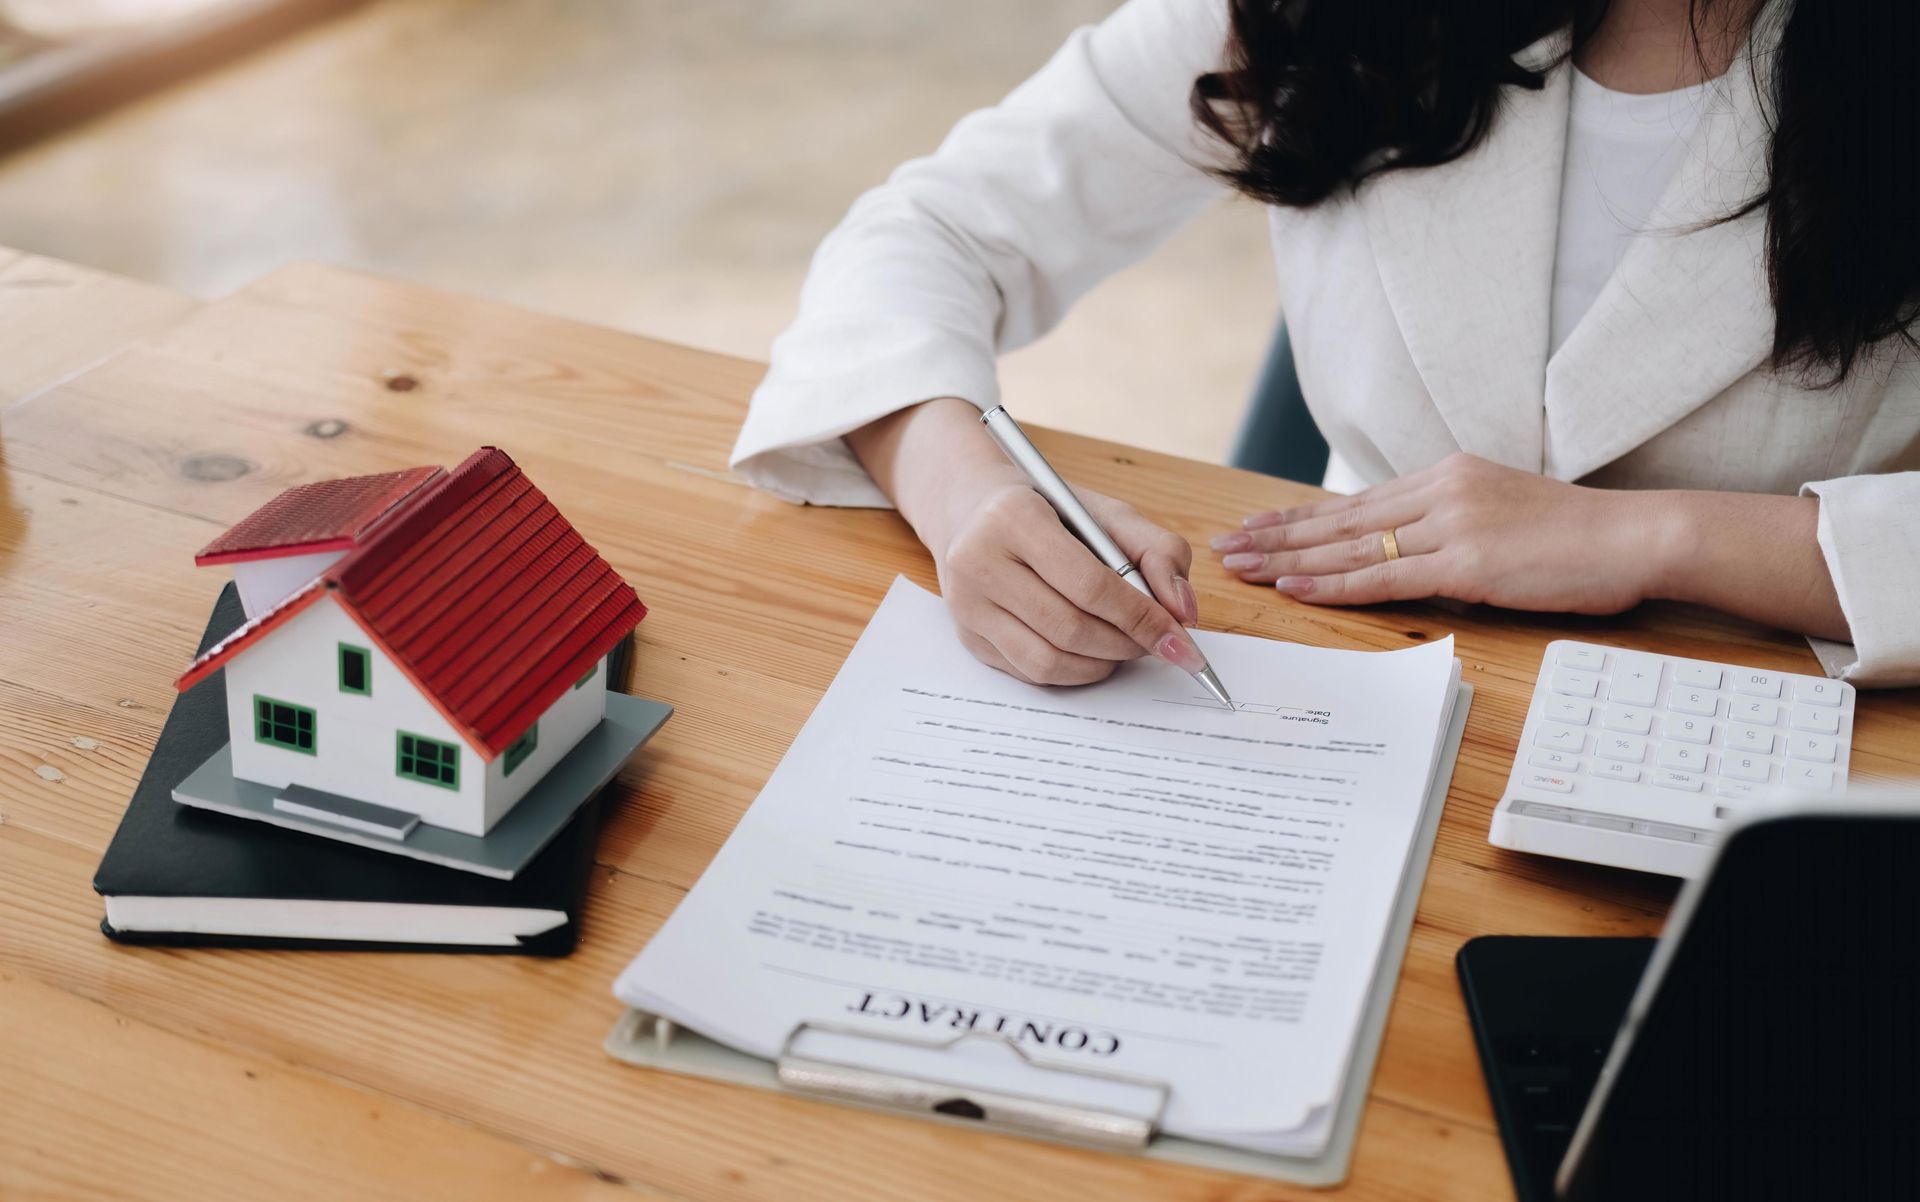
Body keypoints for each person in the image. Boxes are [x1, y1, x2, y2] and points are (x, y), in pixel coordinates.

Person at [730, 0, 1920, 687]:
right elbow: (933, 225)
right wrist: (964, 486)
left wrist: (1659, 535)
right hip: (1347, 678)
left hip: (1777, 717)